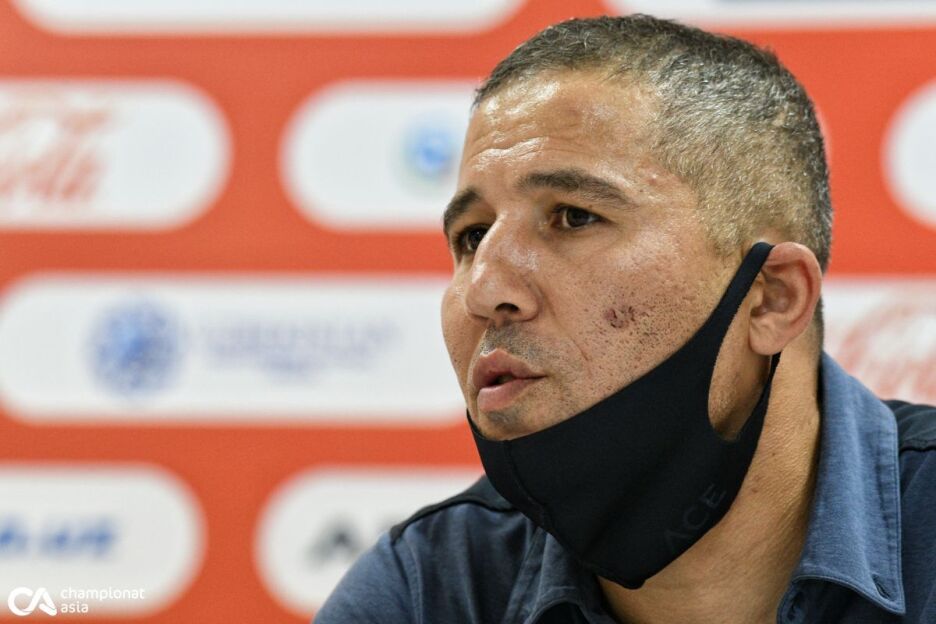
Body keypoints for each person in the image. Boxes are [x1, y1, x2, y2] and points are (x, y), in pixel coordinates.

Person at [315, 14, 936, 624]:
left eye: (574, 217)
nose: (484, 290)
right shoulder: (429, 590)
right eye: (472, 236)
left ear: (772, 298)